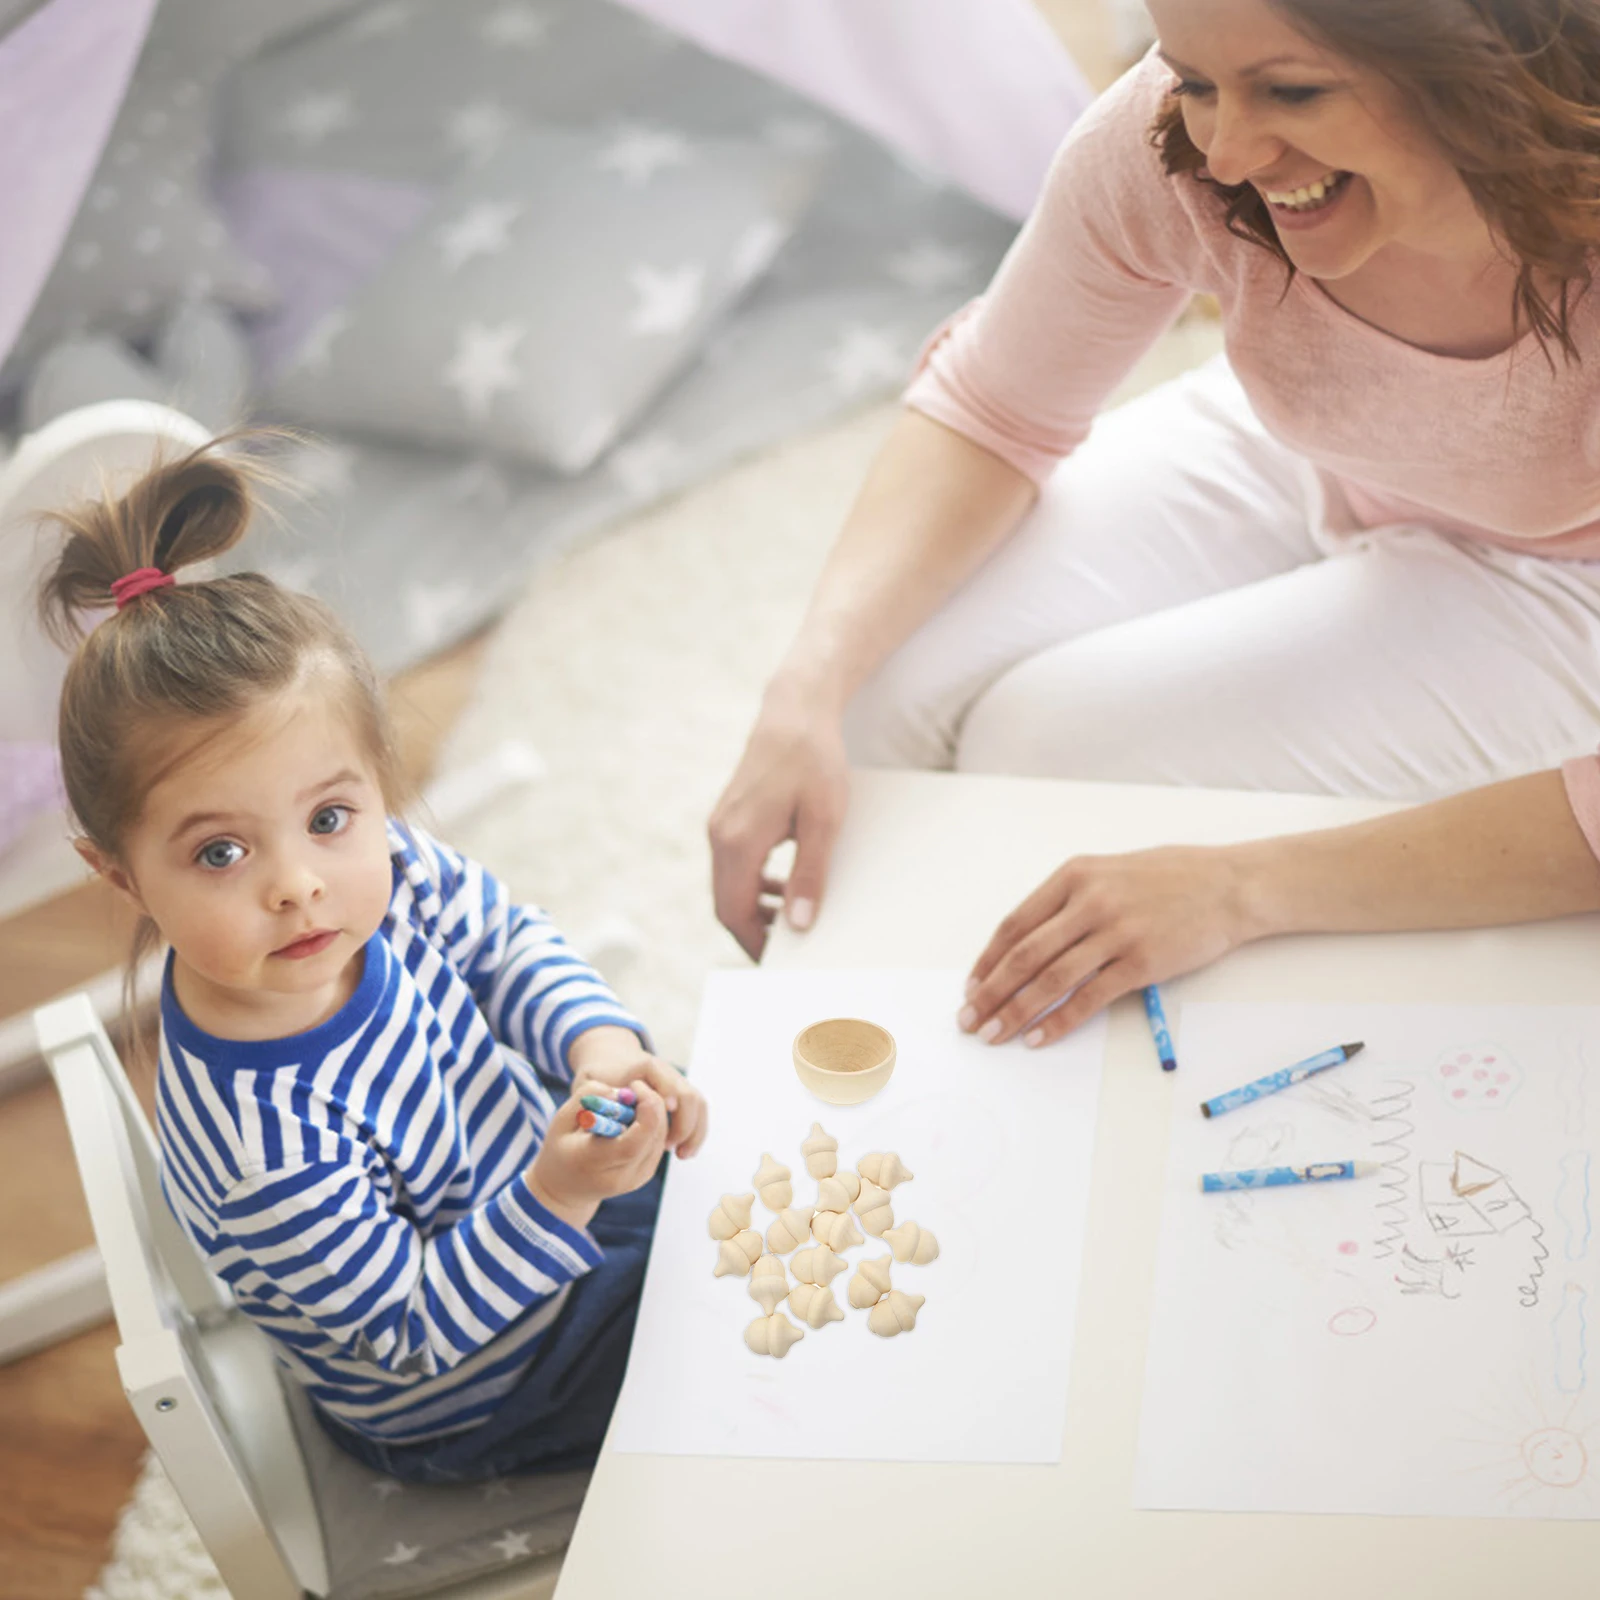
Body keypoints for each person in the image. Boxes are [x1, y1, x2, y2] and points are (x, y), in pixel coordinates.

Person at [709, 0, 1600, 1032]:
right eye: (1195, 82)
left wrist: (1244, 887)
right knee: (878, 703)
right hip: (1324, 445)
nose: (1223, 153)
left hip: (1567, 583)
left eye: (1292, 90)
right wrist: (802, 688)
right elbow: (995, 404)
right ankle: (827, 1061)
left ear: (1494, 62)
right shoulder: (1168, 141)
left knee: (1042, 755)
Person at [38, 441, 707, 1484]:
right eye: (221, 851)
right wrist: (560, 1192)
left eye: (329, 815)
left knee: (767, 1182)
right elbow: (411, 1329)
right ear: (116, 873)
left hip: (547, 1207)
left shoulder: (381, 867)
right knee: (750, 1378)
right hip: (494, 1378)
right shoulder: (266, 1144)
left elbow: (504, 938)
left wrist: (600, 1048)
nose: (298, 882)